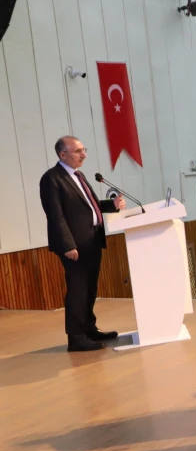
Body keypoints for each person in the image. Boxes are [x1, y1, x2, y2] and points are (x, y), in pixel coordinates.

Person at [39, 135, 127, 351]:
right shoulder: (52, 179)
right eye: (78, 151)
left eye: (83, 149)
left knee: (90, 288)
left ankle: (89, 329)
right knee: (78, 290)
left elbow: (90, 206)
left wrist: (112, 205)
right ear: (63, 154)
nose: (84, 155)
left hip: (92, 241)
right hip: (75, 246)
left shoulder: (79, 175)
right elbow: (55, 215)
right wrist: (68, 245)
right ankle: (76, 338)